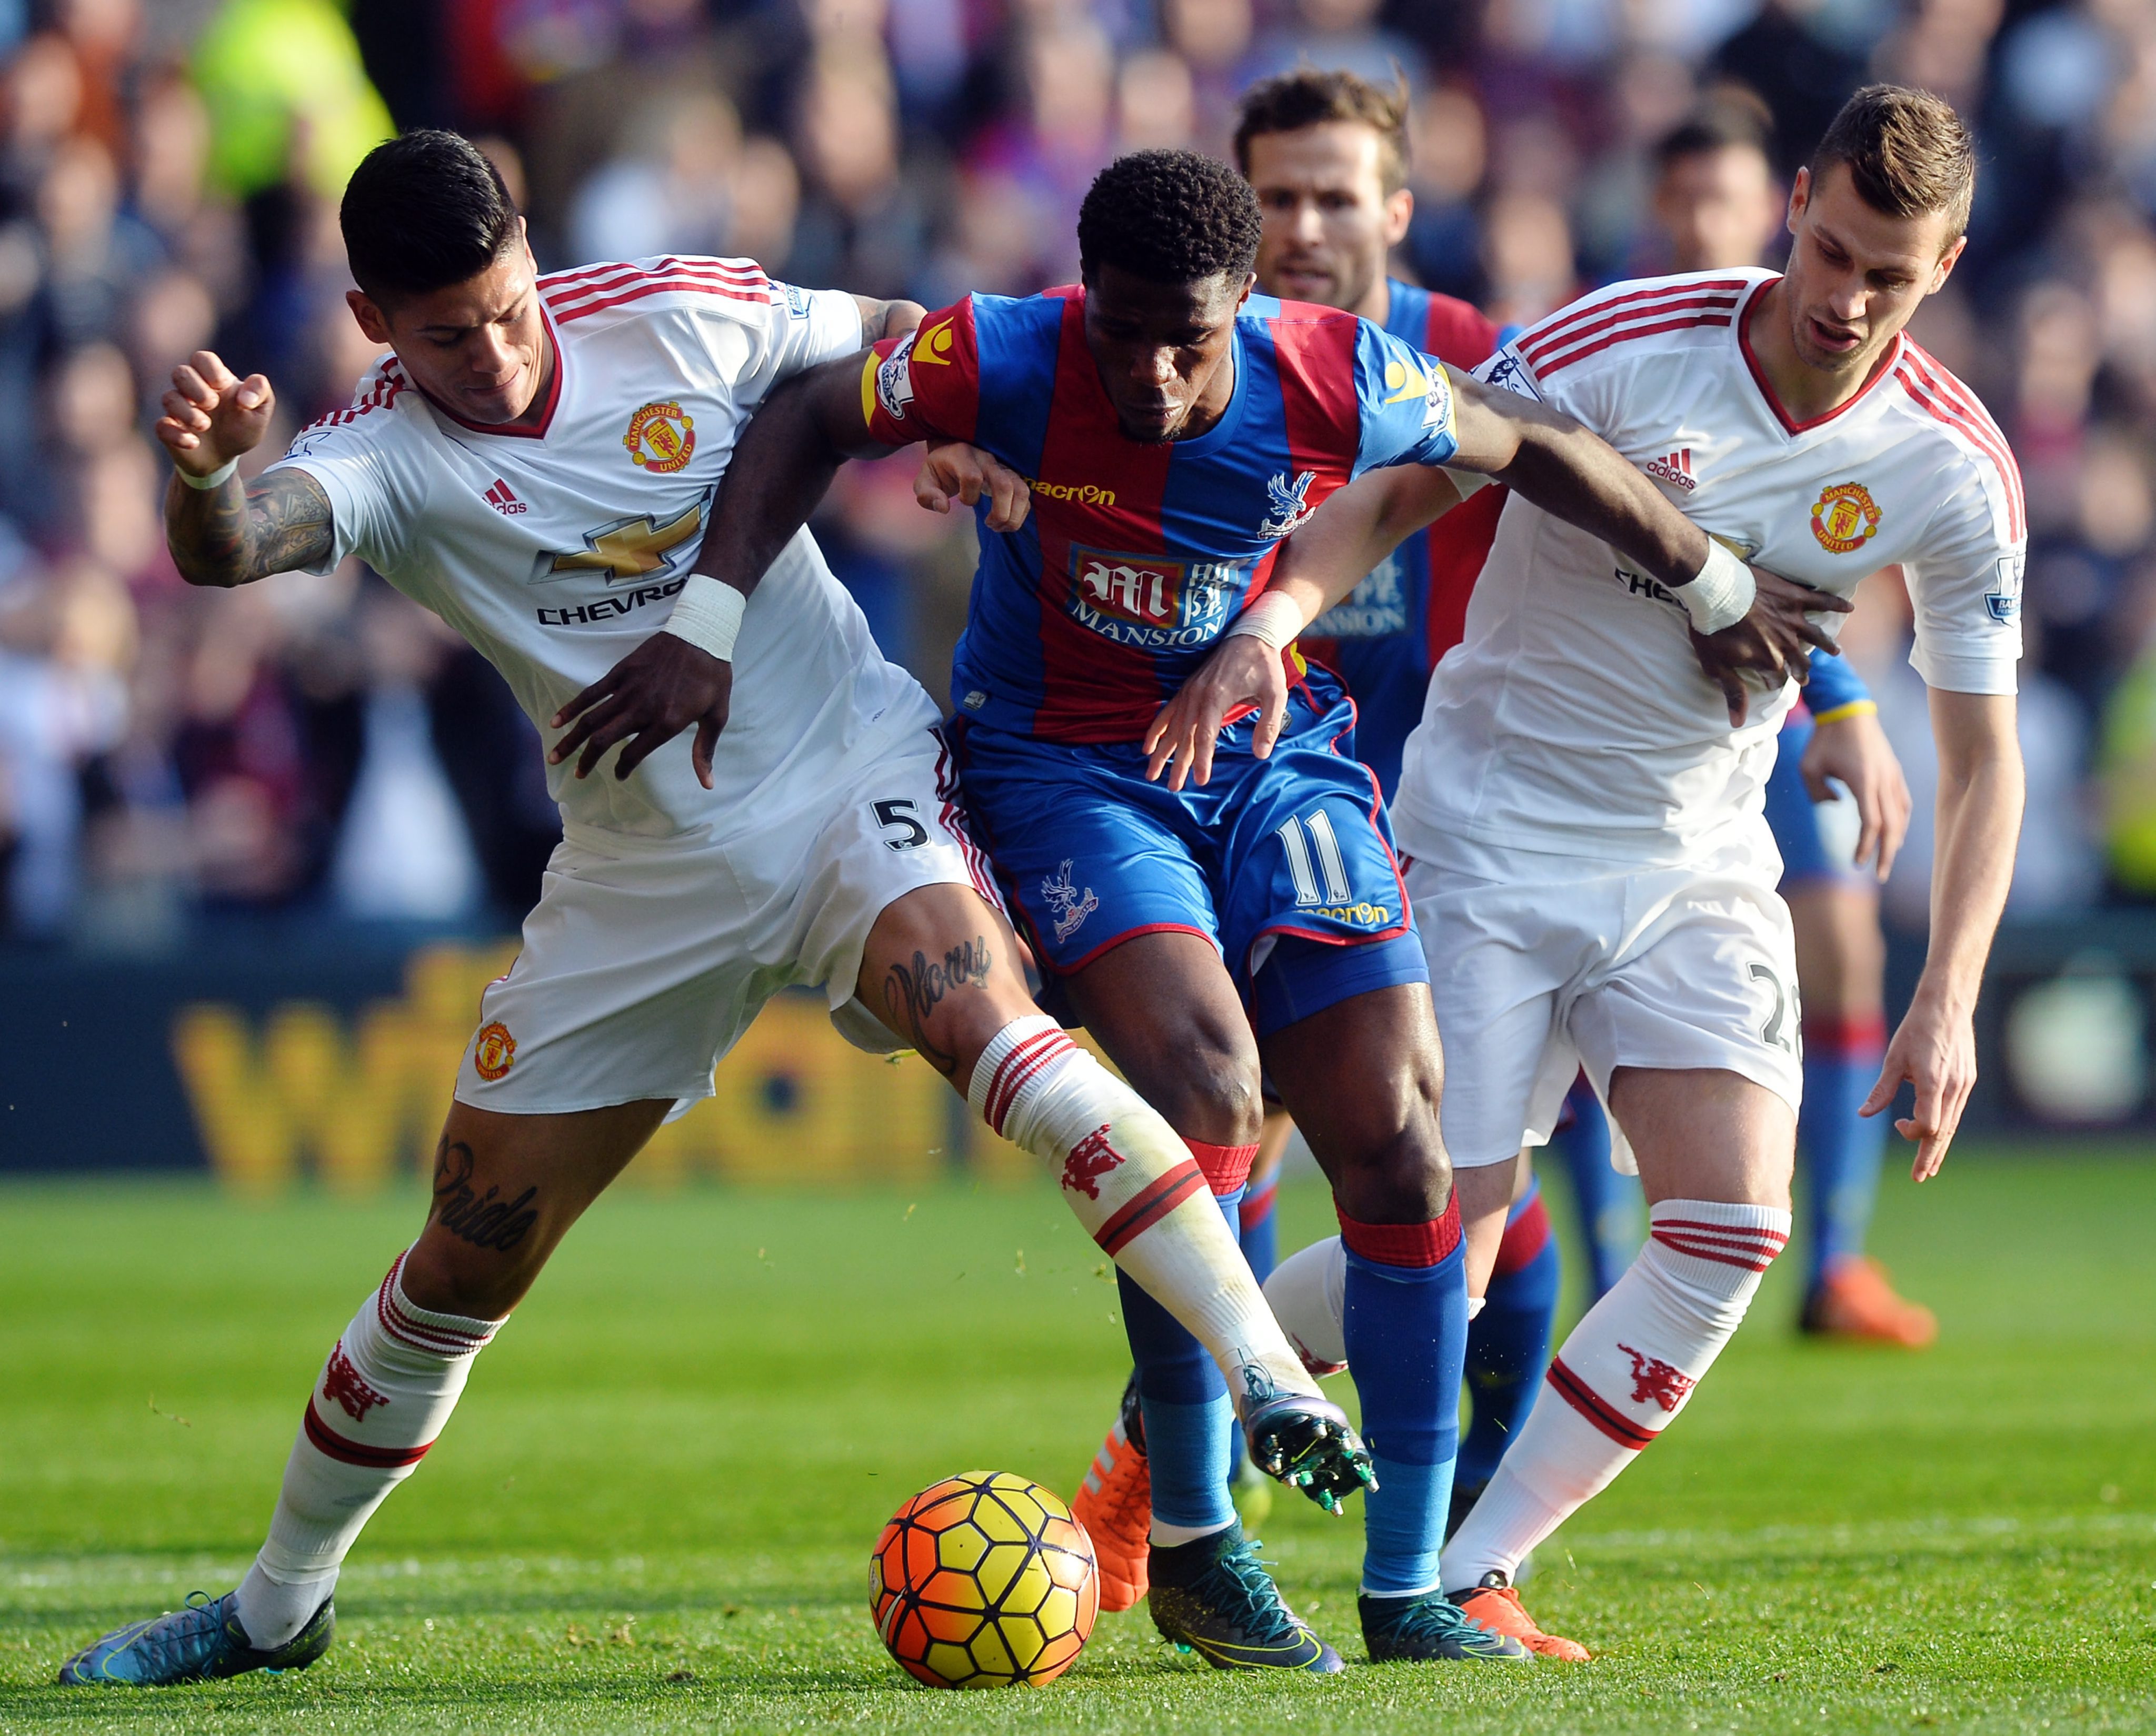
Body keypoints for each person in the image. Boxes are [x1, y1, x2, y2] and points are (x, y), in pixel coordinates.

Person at [57, 131, 1369, 1690]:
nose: (494, 354)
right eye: (446, 335)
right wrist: (207, 476)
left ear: (533, 257)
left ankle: (1269, 1379)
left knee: (990, 1030)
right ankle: (277, 1608)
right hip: (643, 873)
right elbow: (231, 549)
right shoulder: (383, 452)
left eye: (508, 307)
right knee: (463, 1265)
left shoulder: (680, 311)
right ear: (370, 323)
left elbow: (902, 338)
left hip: (845, 781)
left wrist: (964, 437)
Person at [561, 146, 1831, 1670]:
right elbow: (811, 414)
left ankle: (1409, 1590)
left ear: (1242, 306)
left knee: (1399, 1131)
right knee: (1210, 1088)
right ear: (1082, 296)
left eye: (1191, 339)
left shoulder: (1334, 370)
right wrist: (704, 621)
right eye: (1126, 333)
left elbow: (1530, 441)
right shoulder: (999, 355)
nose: (1155, 374)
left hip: (1270, 758)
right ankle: (1194, 1539)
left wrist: (1709, 584)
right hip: (1064, 769)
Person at [1168, 84, 2022, 1657]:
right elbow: (1402, 489)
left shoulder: (1952, 466)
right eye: (1831, 251)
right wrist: (1269, 628)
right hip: (1490, 833)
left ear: (1946, 267)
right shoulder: (1624, 341)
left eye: (1887, 277)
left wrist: (1949, 995)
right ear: (1796, 207)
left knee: (1732, 1224)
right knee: (1436, 1258)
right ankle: (1149, 1453)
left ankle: (1475, 1570)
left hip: (1695, 860)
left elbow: (1983, 759)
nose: (1844, 299)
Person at [1068, 67, 1562, 1614]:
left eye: (1333, 197)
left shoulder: (1465, 356)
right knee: (1242, 1143)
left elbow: (1636, 467)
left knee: (1468, 1193)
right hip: (1212, 793)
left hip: (1429, 817)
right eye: (1274, 196)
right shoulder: (1163, 354)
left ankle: (1443, 1554)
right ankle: (1185, 1503)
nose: (1300, 226)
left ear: (1393, 211)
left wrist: (1829, 691)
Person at [1652, 96, 1933, 1345]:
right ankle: (1601, 1258)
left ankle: (1833, 1264)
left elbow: (1800, 570)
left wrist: (1842, 700)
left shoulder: (1832, 353)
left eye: (1718, 199)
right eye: (1681, 200)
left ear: (1773, 204)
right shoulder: (1635, 341)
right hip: (1626, 728)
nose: (1699, 222)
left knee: (1844, 952)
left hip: (1763, 714)